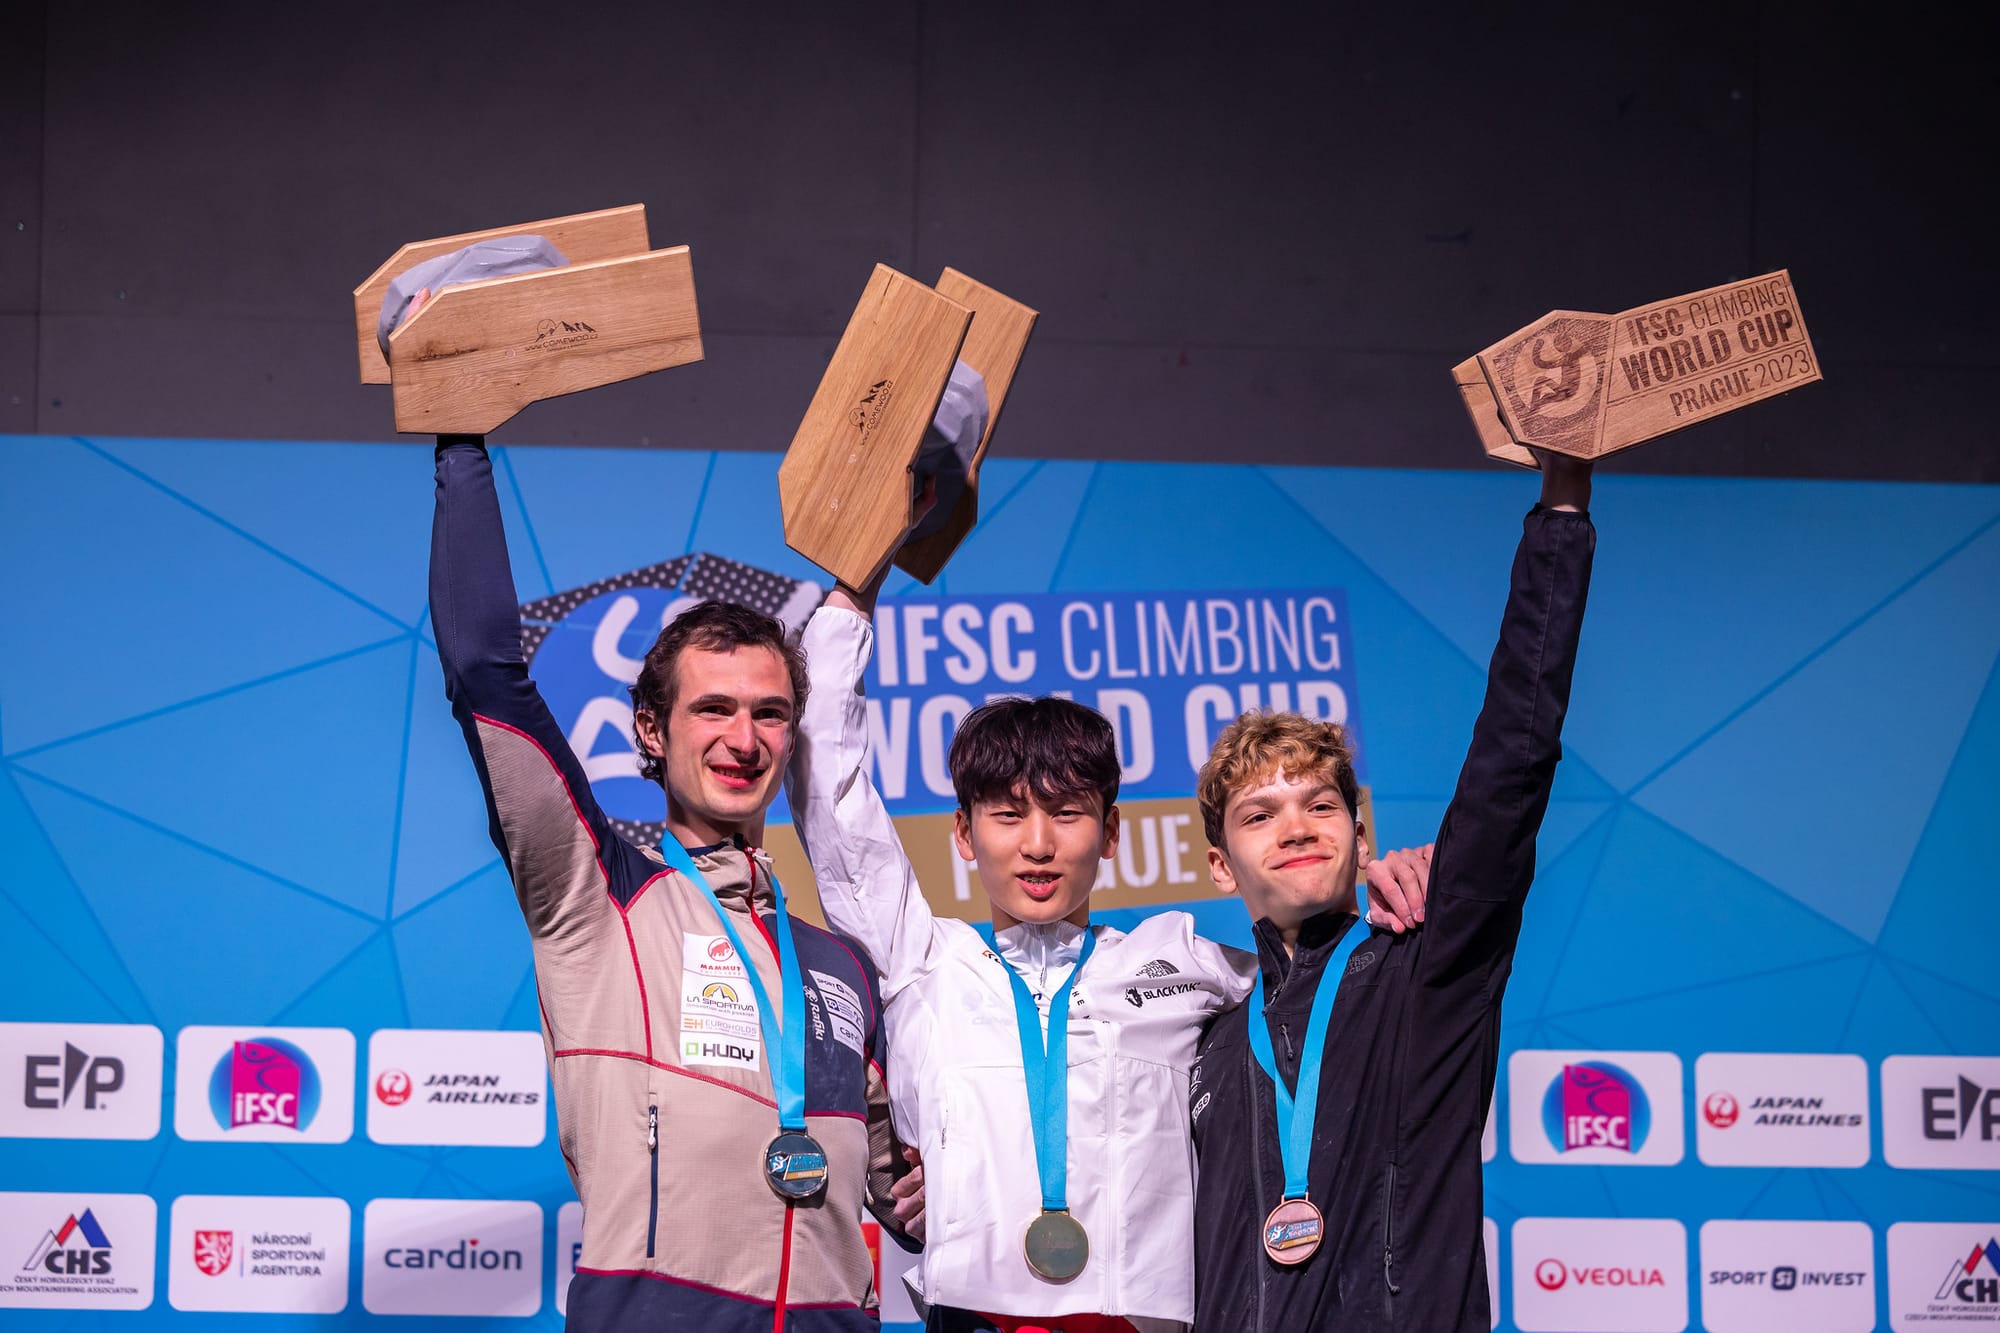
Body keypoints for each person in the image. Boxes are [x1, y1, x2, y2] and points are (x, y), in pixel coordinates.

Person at [787, 559, 1432, 1333]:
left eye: (1067, 813)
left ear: (1111, 832)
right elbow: (829, 790)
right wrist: (852, 598)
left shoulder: (1183, 961)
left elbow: (1323, 992)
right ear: (963, 832)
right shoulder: (921, 961)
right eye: (1007, 815)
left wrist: (1392, 887)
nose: (1038, 844)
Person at [428, 433, 915, 1331]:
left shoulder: (840, 965)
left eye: (770, 712)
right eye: (713, 708)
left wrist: (927, 1192)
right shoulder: (595, 894)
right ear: (651, 730)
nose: (744, 738)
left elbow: (905, 1189)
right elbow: (481, 672)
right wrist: (462, 445)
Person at [1188, 451, 1597, 1331]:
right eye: (1260, 815)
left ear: (1361, 835)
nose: (1297, 827)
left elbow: (1513, 760)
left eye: (1320, 804)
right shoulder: (1209, 1041)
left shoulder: (1428, 968)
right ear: (1220, 864)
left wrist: (1562, 505)